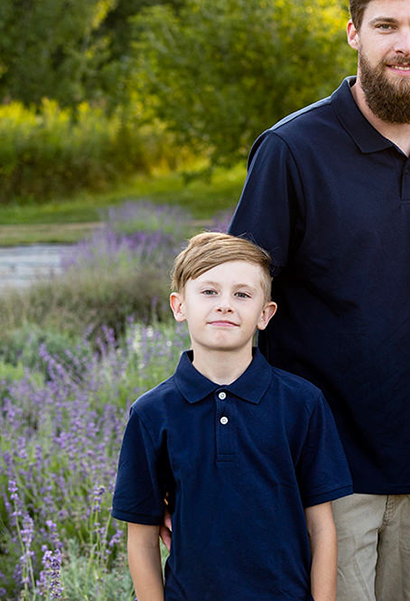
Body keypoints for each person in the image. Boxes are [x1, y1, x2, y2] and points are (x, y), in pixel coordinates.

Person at [227, 0, 410, 601]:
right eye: (386, 26)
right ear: (354, 33)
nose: (405, 45)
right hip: (323, 471)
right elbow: (233, 303)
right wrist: (196, 448)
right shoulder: (292, 150)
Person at [111, 232, 352, 601]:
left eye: (242, 295)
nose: (225, 305)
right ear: (179, 306)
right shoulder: (151, 413)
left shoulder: (303, 404)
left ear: (265, 314)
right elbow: (141, 539)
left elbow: (322, 528)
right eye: (209, 292)